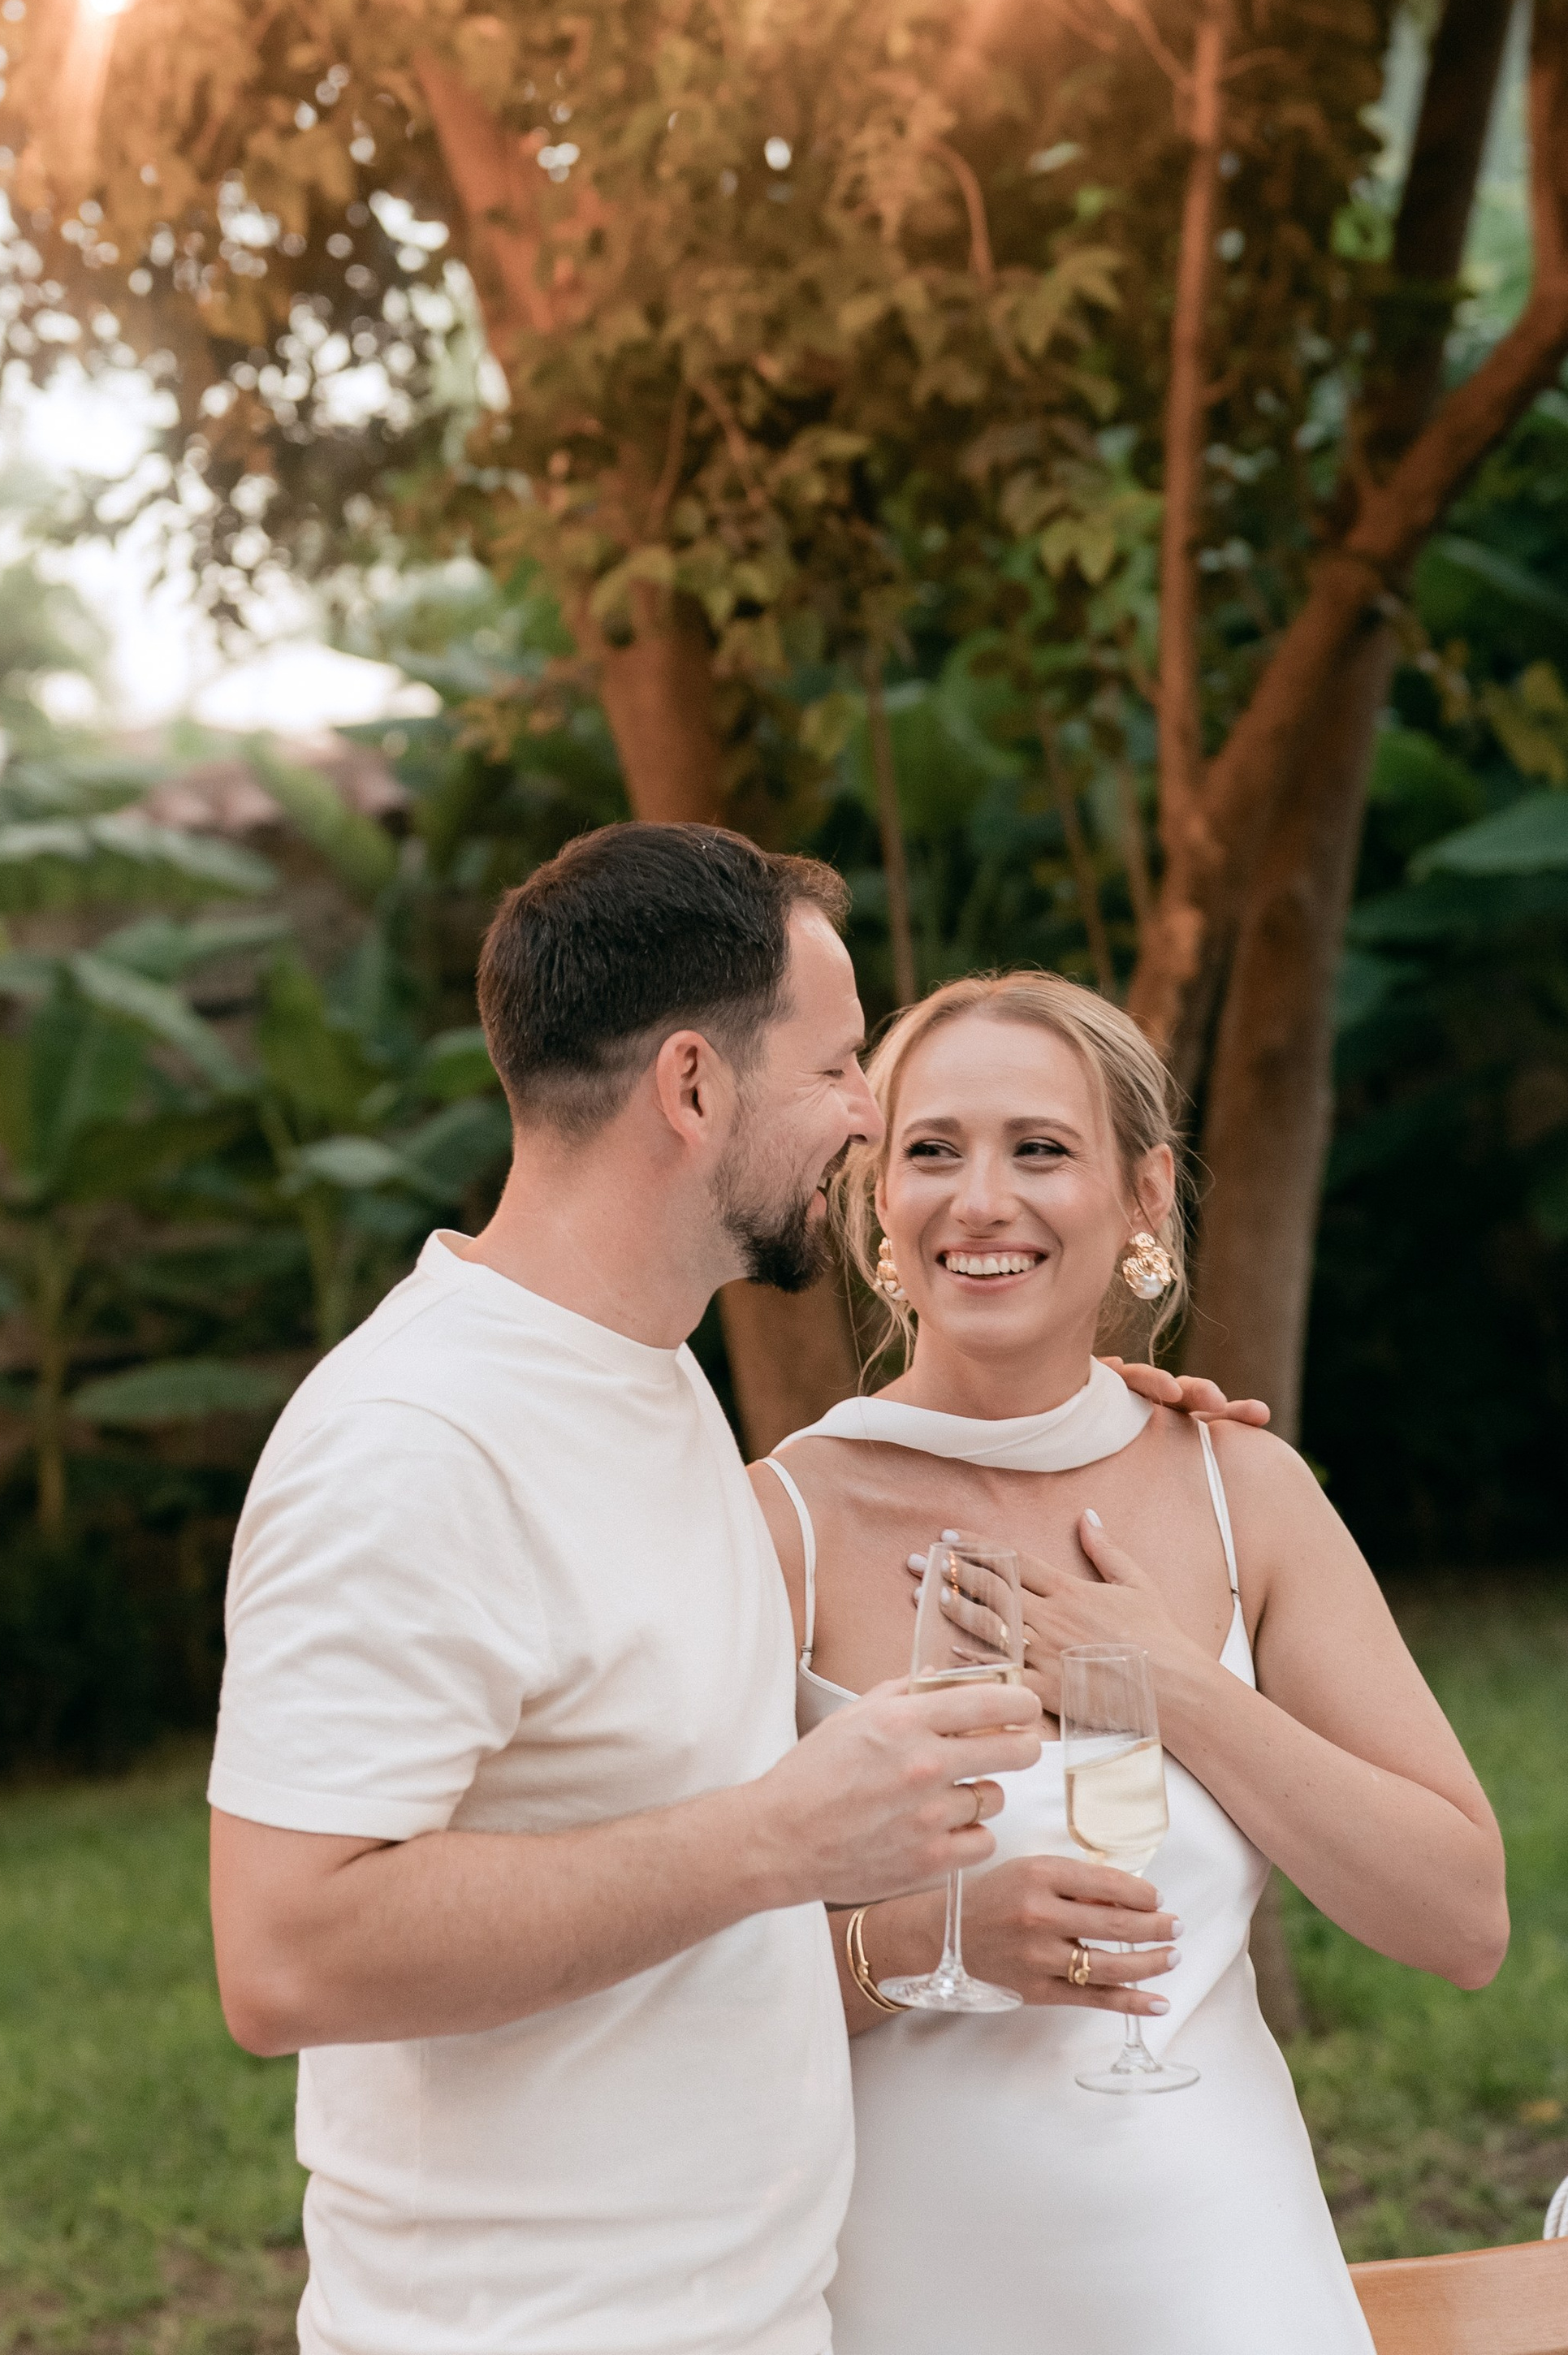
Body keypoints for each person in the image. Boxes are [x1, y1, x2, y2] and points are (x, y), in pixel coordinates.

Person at [209, 827, 1261, 2355]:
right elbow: (286, 1953)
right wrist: (779, 1838)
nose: (863, 1115)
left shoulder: (645, 1375)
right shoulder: (415, 1442)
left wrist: (1092, 1412)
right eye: (839, 1068)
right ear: (694, 1088)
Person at [753, 970, 1510, 2355]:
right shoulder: (778, 1526)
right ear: (876, 1201)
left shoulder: (1245, 1489)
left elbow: (1460, 1921)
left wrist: (1173, 1687)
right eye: (933, 1150)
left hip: (1227, 2285)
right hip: (904, 2299)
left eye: (1040, 1149)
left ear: (1145, 1195)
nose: (982, 1199)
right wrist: (924, 1944)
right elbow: (660, 1978)